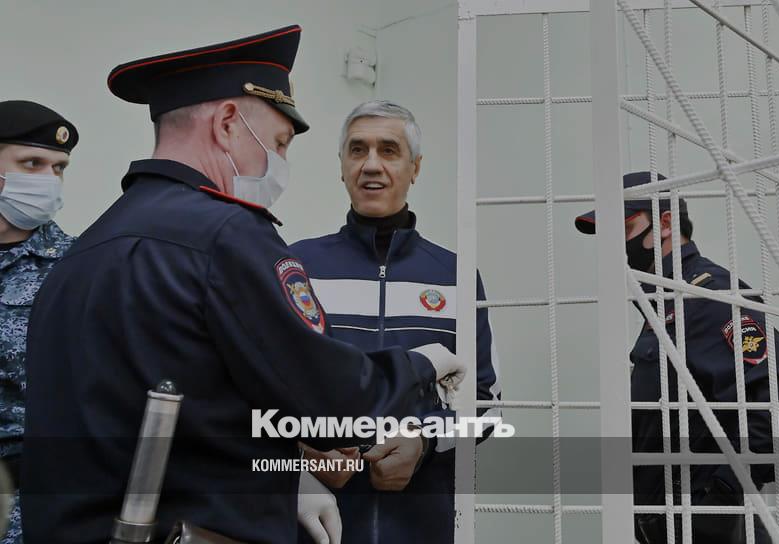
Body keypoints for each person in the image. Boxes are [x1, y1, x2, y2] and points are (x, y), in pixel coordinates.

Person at [21, 26, 465, 544]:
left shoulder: (85, 249)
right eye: (279, 143)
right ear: (229, 123)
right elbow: (334, 404)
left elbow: (194, 407)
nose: (280, 164)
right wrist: (420, 366)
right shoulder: (228, 237)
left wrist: (289, 477)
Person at [289, 100, 502, 544]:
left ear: (415, 167)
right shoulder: (296, 267)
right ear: (342, 166)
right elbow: (260, 389)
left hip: (423, 527)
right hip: (316, 528)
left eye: (389, 150)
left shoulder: (456, 276)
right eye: (357, 149)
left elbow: (486, 406)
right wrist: (304, 451)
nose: (371, 164)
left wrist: (424, 444)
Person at [574, 171, 779, 544]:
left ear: (665, 223)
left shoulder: (703, 298)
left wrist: (719, 494)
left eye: (622, 229)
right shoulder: (663, 304)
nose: (612, 246)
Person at [0, 100, 78, 544]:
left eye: (59, 168)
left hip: (32, 508)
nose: (49, 180)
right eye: (31, 163)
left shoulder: (79, 267)